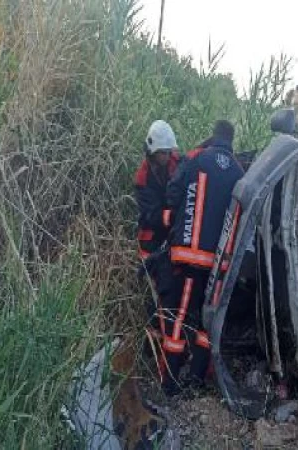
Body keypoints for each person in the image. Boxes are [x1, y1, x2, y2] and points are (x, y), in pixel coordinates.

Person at [160, 120, 244, 396]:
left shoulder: (197, 157)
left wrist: (174, 220)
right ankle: (197, 378)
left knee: (180, 315)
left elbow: (173, 191)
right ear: (231, 141)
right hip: (220, 264)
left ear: (213, 135)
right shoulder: (238, 172)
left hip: (189, 257)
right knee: (207, 322)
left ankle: (170, 382)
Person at [134, 120, 182, 386]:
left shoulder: (175, 161)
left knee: (170, 291)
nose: (167, 157)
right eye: (163, 153)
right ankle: (151, 350)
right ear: (153, 152)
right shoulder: (143, 177)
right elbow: (150, 215)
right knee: (156, 298)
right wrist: (173, 216)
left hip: (170, 241)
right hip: (151, 244)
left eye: (168, 152)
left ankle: (163, 343)